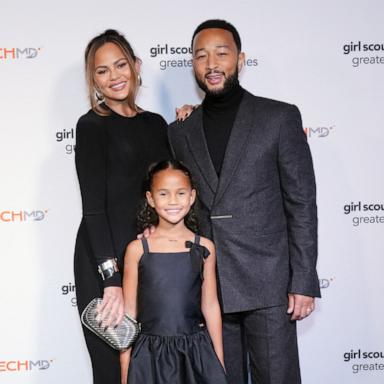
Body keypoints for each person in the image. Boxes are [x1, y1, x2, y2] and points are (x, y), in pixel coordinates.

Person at [168, 20, 321, 384]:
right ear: (193, 64)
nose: (212, 64)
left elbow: (301, 202)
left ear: (241, 59)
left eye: (222, 53)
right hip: (210, 287)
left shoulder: (279, 117)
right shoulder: (180, 132)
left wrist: (302, 278)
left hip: (268, 283)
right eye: (201, 56)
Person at [74, 29, 170, 384]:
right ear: (93, 79)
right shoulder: (91, 126)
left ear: (136, 66)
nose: (114, 76)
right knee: (113, 371)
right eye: (103, 71)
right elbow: (93, 210)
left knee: (153, 366)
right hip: (104, 264)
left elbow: (170, 190)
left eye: (120, 65)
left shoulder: (157, 125)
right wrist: (110, 280)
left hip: (150, 263)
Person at [120, 159, 228, 384]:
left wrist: (219, 362)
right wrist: (125, 367)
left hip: (196, 354)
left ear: (192, 196)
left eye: (180, 193)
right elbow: (129, 313)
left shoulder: (205, 247)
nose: (172, 201)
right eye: (163, 194)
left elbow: (210, 306)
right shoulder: (136, 249)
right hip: (148, 358)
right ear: (150, 198)